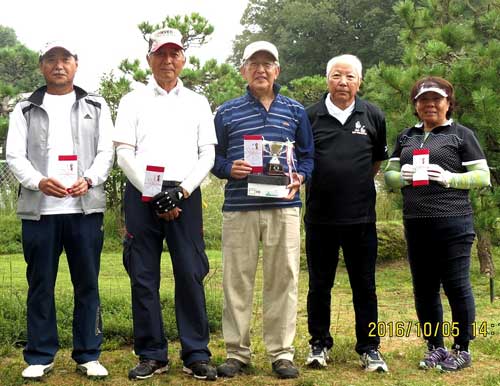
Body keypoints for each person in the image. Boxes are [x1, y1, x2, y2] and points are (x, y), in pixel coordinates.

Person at [113, 27, 217, 381]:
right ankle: (152, 352)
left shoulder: (198, 102)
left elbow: (207, 154)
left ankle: (196, 353)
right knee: (143, 275)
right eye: (161, 54)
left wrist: (182, 191)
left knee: (190, 272)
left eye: (174, 54)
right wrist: (153, 192)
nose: (167, 60)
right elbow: (124, 153)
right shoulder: (133, 100)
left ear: (183, 60)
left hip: (185, 193)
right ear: (149, 59)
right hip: (143, 194)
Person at [6, 41, 114, 380]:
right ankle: (40, 354)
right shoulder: (24, 108)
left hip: (84, 208)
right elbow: (14, 155)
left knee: (87, 283)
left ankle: (88, 353)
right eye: (51, 59)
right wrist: (38, 182)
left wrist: (90, 179)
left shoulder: (95, 105)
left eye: (65, 58)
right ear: (41, 65)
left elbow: (105, 151)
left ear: (76, 64)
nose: (58, 65)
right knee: (40, 283)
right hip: (40, 211)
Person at [212, 41, 314, 379]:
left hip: (284, 207)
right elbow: (213, 158)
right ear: (243, 70)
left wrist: (300, 175)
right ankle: (236, 352)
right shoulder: (226, 112)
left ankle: (281, 353)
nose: (261, 69)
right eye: (253, 64)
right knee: (236, 280)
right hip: (240, 207)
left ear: (277, 70)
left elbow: (308, 156)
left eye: (267, 63)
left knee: (283, 279)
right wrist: (229, 168)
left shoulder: (295, 110)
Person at [384, 76, 490, 371]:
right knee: (425, 288)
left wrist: (449, 177)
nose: (430, 104)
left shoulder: (460, 134)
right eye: (423, 100)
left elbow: (483, 177)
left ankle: (462, 348)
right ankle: (436, 347)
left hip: (453, 222)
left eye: (436, 99)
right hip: (416, 223)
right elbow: (389, 176)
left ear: (448, 102)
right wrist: (401, 175)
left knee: (456, 286)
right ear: (415, 105)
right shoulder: (406, 137)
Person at [304, 54, 389, 372]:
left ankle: (370, 347)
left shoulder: (373, 115)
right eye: (337, 75)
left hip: (361, 219)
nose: (343, 82)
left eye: (350, 76)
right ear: (327, 79)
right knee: (319, 284)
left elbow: (376, 162)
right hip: (319, 218)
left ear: (359, 81)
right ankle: (318, 344)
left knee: (365, 285)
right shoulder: (309, 116)